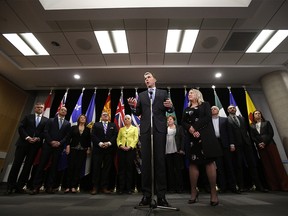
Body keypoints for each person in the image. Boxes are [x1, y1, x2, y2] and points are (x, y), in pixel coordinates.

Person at [127, 71, 174, 207]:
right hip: (146, 131)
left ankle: (161, 197)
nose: (146, 80)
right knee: (146, 163)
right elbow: (138, 112)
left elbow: (170, 110)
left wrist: (170, 106)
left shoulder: (163, 93)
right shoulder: (141, 95)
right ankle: (146, 195)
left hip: (159, 130)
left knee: (159, 161)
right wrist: (132, 107)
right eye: (145, 78)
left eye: (149, 77)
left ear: (155, 79)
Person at [181, 89, 222, 206]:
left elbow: (208, 117)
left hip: (206, 137)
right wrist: (190, 129)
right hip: (192, 139)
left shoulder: (205, 105)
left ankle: (213, 192)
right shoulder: (187, 109)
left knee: (209, 163)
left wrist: (194, 127)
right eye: (188, 93)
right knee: (193, 164)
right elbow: (183, 122)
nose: (189, 94)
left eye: (191, 93)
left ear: (198, 95)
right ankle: (194, 191)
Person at [5, 102, 48, 195]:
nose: (40, 109)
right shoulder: (28, 117)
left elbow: (45, 132)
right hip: (23, 144)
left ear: (43, 109)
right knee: (16, 164)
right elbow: (21, 128)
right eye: (38, 107)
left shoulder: (46, 120)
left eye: (41, 107)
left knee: (27, 166)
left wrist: (38, 138)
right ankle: (10, 186)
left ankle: (19, 186)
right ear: (35, 108)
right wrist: (27, 137)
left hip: (35, 146)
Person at [30, 106, 71, 195]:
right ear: (59, 110)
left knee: (54, 167)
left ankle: (49, 187)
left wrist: (60, 143)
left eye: (65, 111)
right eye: (62, 110)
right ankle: (36, 187)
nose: (63, 111)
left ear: (66, 113)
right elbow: (45, 132)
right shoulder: (51, 120)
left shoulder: (67, 123)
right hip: (48, 146)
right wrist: (51, 141)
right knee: (41, 165)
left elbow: (67, 136)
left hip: (58, 147)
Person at [227, 105, 268, 193]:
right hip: (236, 145)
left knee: (252, 164)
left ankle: (259, 186)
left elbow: (247, 130)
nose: (232, 109)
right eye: (230, 108)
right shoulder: (227, 120)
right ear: (227, 111)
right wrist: (232, 144)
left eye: (233, 108)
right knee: (239, 166)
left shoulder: (242, 118)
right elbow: (229, 133)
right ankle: (241, 187)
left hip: (247, 144)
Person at [250, 110, 288, 191]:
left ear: (261, 115)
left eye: (259, 113)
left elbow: (271, 133)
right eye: (256, 114)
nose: (257, 115)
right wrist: (259, 143)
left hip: (270, 145)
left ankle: (284, 185)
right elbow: (253, 137)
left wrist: (264, 142)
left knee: (276, 164)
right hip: (260, 147)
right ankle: (274, 186)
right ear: (253, 116)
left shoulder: (266, 123)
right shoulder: (252, 126)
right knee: (267, 166)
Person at [211, 106, 240, 194]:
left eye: (215, 108)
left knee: (229, 165)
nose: (213, 110)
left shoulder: (224, 119)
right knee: (219, 167)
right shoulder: (208, 121)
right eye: (211, 109)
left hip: (225, 144)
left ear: (218, 111)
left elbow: (230, 132)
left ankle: (233, 187)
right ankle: (223, 187)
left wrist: (232, 144)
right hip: (215, 145)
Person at [90, 111, 118, 195]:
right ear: (101, 116)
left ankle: (104, 187)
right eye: (103, 115)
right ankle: (95, 187)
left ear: (109, 117)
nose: (105, 116)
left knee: (107, 169)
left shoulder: (113, 125)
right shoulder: (96, 124)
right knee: (96, 168)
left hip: (109, 150)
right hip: (98, 149)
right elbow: (93, 135)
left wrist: (109, 143)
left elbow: (115, 135)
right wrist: (100, 143)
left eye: (107, 115)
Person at [64, 114, 91, 193]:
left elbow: (88, 140)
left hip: (82, 150)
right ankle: (67, 186)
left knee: (78, 168)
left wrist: (89, 148)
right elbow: (68, 137)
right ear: (79, 119)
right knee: (70, 167)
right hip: (73, 149)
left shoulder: (88, 129)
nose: (82, 119)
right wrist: (68, 146)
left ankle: (74, 186)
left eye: (84, 118)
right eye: (81, 118)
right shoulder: (73, 128)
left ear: (86, 120)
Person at [116, 114, 139, 194]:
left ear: (131, 120)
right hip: (121, 150)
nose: (127, 120)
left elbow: (136, 138)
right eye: (125, 119)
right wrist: (121, 145)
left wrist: (130, 146)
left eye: (128, 119)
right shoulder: (121, 129)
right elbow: (118, 139)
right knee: (122, 169)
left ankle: (129, 188)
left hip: (130, 150)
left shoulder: (135, 128)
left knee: (129, 169)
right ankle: (121, 188)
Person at [165, 115, 185, 193]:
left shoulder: (179, 128)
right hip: (167, 151)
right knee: (170, 171)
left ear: (174, 120)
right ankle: (171, 188)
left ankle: (180, 187)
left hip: (177, 151)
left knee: (178, 170)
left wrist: (182, 149)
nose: (169, 121)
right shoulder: (165, 129)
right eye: (168, 120)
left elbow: (183, 138)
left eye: (170, 119)